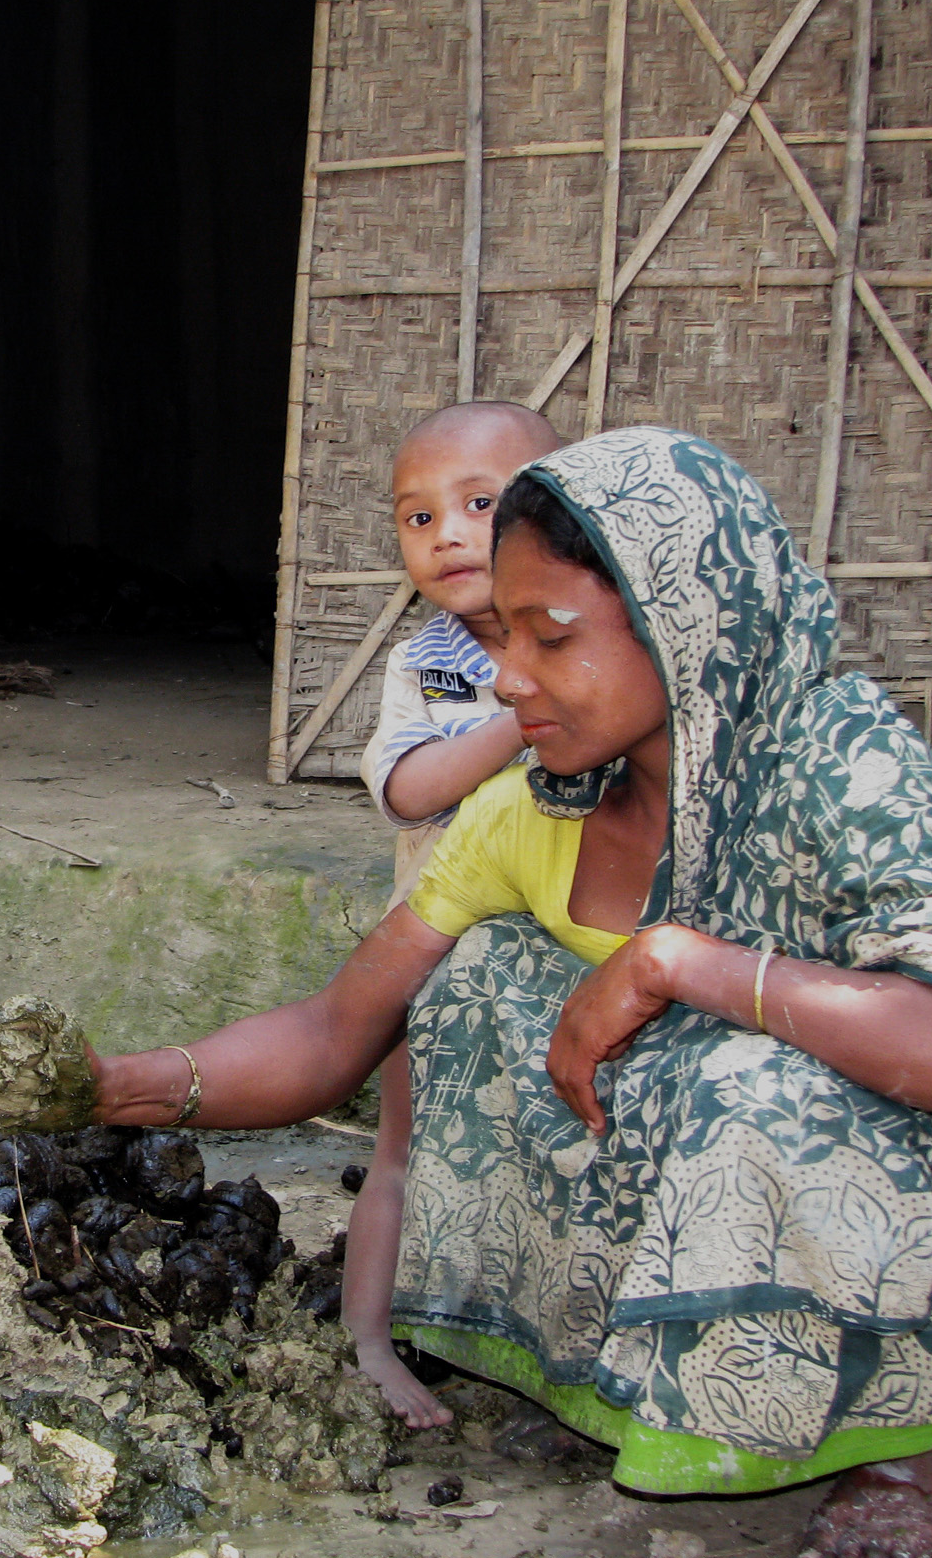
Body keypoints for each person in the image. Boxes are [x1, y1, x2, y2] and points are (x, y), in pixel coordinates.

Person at [85, 428, 932, 1558]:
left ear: (682, 626)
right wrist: (127, 1088)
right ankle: (601, 1369)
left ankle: (908, 1444)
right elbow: (343, 1027)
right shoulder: (548, 799)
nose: (506, 675)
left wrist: (678, 961)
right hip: (784, 1210)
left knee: (750, 1071)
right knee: (479, 985)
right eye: (507, 630)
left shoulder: (838, 759)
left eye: (553, 636)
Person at [346, 401, 561, 1429]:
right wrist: (527, 720)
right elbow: (410, 789)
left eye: (480, 504)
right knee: (402, 1143)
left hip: (555, 949)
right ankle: (371, 1340)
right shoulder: (425, 664)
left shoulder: (593, 641)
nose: (448, 535)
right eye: (418, 518)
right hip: (430, 944)